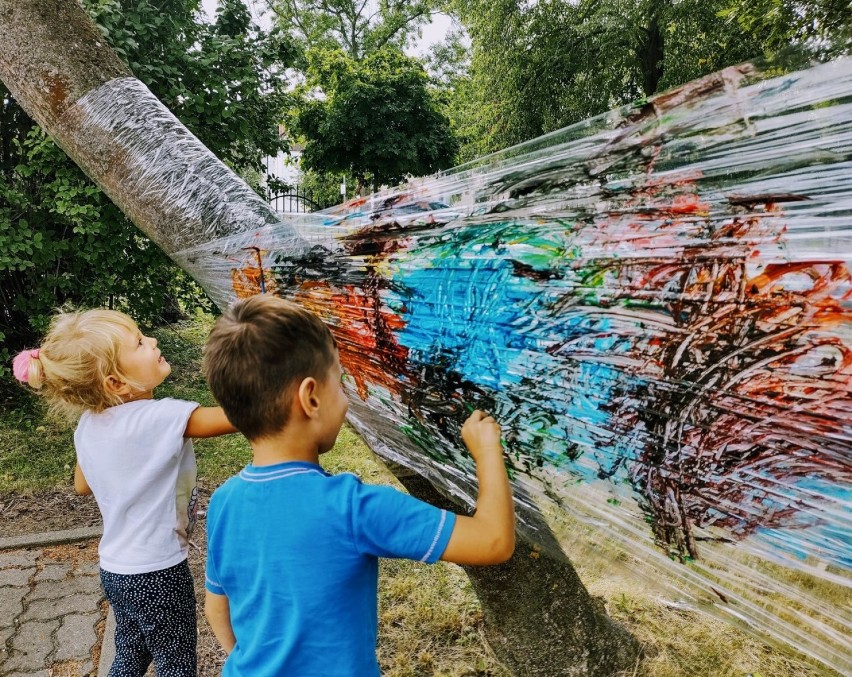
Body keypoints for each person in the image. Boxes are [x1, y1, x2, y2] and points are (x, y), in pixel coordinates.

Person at [201, 294, 516, 676]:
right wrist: (485, 452)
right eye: (340, 381)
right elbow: (494, 541)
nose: (346, 398)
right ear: (311, 398)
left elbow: (217, 609)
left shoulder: (223, 503)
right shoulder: (353, 508)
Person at [12, 308, 237, 677]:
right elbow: (241, 416)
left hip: (116, 569)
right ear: (116, 383)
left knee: (131, 653)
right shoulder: (160, 417)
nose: (153, 341)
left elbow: (81, 486)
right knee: (175, 662)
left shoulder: (87, 425)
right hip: (158, 571)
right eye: (139, 342)